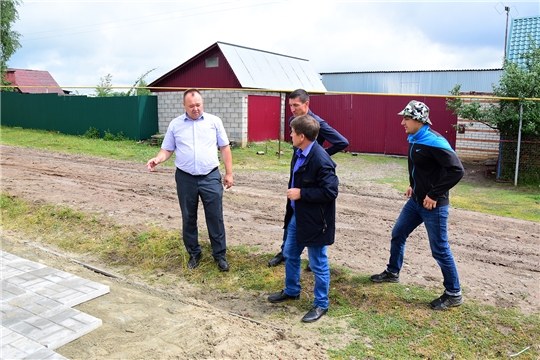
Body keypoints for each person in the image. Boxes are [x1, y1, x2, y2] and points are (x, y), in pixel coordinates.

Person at [370, 100, 465, 310]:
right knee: (398, 233)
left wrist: (433, 194)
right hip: (416, 201)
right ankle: (392, 272)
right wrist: (414, 185)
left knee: (439, 249)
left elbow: (457, 171)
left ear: (418, 120)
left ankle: (454, 293)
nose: (402, 122)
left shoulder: (435, 142)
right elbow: (419, 167)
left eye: (406, 118)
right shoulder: (415, 138)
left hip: (434, 206)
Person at [146, 88, 233, 272]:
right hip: (186, 178)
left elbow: (225, 148)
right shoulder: (175, 125)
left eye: (198, 105)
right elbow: (167, 150)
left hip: (210, 176)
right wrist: (158, 159)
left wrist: (229, 173)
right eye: (191, 105)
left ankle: (220, 255)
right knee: (188, 217)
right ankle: (194, 253)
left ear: (203, 103)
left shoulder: (214, 122)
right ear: (184, 106)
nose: (196, 108)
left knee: (215, 217)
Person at [267, 114, 339, 323]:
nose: (289, 135)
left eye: (291, 132)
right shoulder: (299, 152)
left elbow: (330, 192)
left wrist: (302, 194)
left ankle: (321, 304)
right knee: (290, 252)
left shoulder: (321, 159)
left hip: (316, 221)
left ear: (301, 136)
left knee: (317, 262)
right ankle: (291, 290)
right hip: (298, 215)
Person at [268, 88, 348, 268]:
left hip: (312, 176)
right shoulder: (293, 121)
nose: (293, 109)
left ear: (306, 105)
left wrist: (320, 155)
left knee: (314, 217)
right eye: (290, 106)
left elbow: (342, 142)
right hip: (298, 170)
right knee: (292, 211)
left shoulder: (317, 123)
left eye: (296, 105)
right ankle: (285, 251)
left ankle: (316, 260)